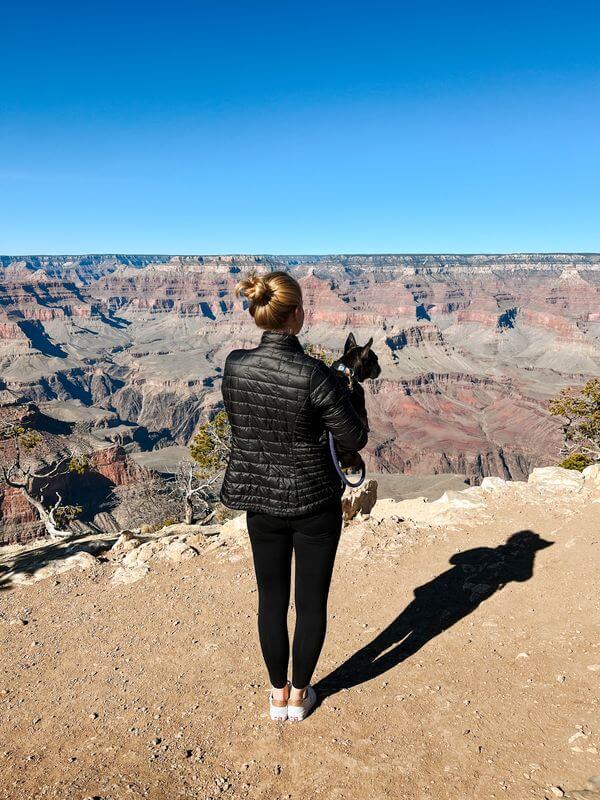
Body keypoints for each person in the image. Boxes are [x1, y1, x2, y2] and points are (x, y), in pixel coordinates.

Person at [219, 270, 368, 722]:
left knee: (270, 600)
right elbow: (355, 437)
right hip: (313, 504)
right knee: (310, 603)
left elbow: (250, 423)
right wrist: (351, 390)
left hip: (259, 501)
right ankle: (301, 695)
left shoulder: (234, 365)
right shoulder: (315, 375)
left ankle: (276, 694)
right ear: (297, 313)